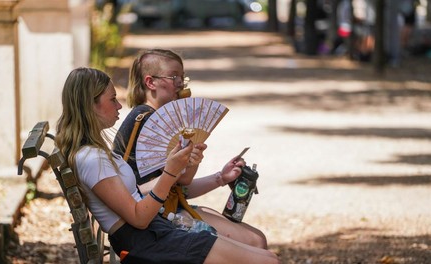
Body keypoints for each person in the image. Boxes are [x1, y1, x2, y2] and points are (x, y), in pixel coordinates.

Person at [55, 67, 279, 264]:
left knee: (267, 257)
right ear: (90, 106)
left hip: (156, 232)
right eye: (112, 99)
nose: (119, 105)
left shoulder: (94, 153)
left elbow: (134, 195)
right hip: (147, 243)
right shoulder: (92, 159)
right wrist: (171, 171)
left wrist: (181, 170)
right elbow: (138, 218)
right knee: (268, 260)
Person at [113, 48, 268, 249]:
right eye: (174, 76)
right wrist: (192, 157)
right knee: (255, 241)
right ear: (150, 82)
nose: (180, 83)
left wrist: (220, 178)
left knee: (255, 239)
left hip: (168, 208)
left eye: (182, 77)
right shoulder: (150, 120)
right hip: (154, 218)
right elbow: (179, 180)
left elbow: (179, 186)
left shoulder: (152, 117)